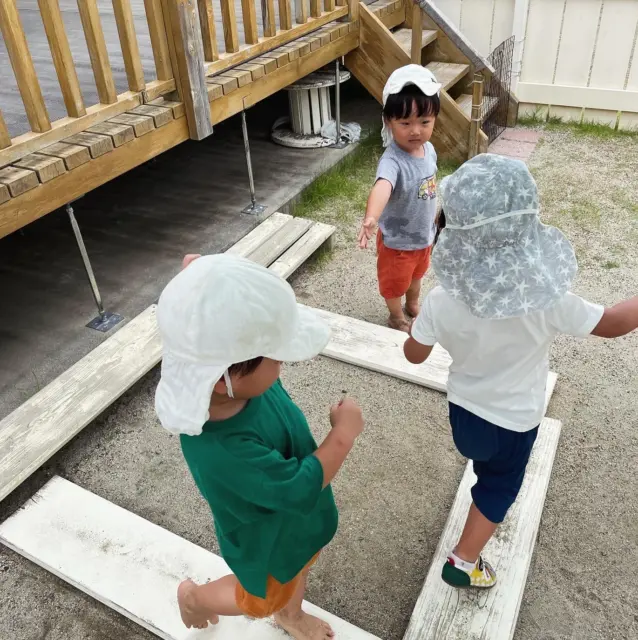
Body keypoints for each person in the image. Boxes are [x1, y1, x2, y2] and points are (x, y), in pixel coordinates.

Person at [403, 153, 638, 588]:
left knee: (482, 465)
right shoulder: (546, 299)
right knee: (498, 488)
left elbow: (414, 354)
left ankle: (479, 484)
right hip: (514, 422)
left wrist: (421, 334)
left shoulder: (440, 300)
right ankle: (463, 560)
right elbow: (614, 324)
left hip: (464, 415)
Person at [155, 253, 364, 639]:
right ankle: (197, 598)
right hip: (269, 539)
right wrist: (343, 435)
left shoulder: (242, 386)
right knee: (261, 596)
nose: (283, 363)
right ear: (224, 377)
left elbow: (208, 298)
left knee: (301, 563)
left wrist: (212, 284)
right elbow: (299, 487)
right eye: (276, 358)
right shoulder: (225, 450)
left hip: (296, 522)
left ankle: (291, 615)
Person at [358, 65, 442, 332]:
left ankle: (413, 302)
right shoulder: (393, 160)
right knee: (395, 283)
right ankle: (395, 315)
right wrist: (372, 216)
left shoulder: (428, 150)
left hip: (423, 236)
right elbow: (383, 185)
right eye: (405, 123)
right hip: (398, 243)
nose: (415, 130)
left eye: (424, 122)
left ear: (435, 120)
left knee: (417, 275)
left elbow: (430, 188)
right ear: (388, 122)